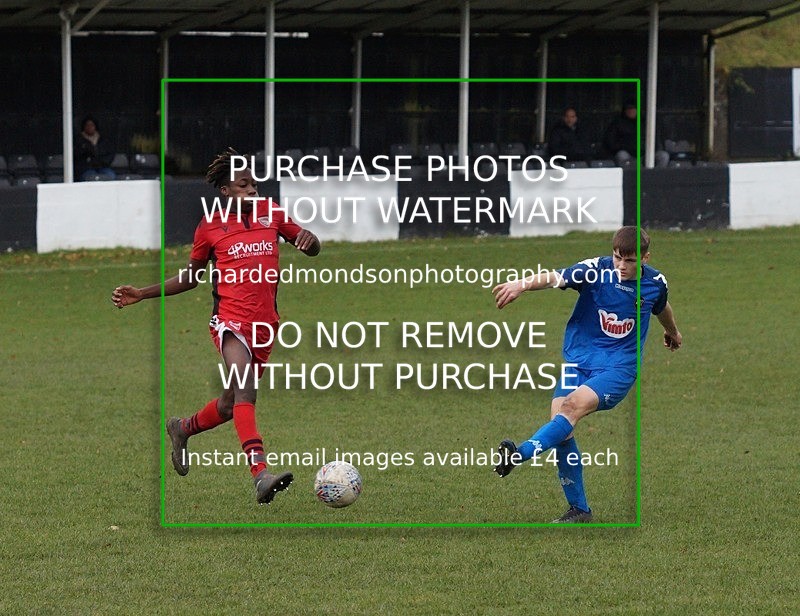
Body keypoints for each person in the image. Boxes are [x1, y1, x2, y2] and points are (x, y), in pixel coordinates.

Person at [111, 147, 321, 505]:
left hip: (265, 324)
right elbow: (191, 278)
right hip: (229, 322)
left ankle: (182, 428)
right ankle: (261, 475)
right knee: (245, 391)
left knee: (228, 405)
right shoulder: (209, 227)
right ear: (225, 191)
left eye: (254, 183)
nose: (253, 189)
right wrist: (143, 294)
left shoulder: (273, 214)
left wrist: (311, 241)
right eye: (243, 184)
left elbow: (311, 245)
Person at [491, 226, 681, 523]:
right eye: (617, 257)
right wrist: (522, 284)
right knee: (561, 428)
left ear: (644, 258)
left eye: (629, 261)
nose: (621, 265)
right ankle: (579, 510)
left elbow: (661, 306)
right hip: (578, 361)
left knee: (570, 408)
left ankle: (519, 454)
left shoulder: (656, 282)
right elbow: (556, 277)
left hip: (619, 368)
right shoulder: (595, 270)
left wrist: (672, 331)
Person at [602, 101, 669, 168]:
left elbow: (657, 139)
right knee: (621, 155)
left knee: (663, 155)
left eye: (633, 109)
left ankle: (655, 176)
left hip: (647, 154)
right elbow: (611, 141)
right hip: (628, 154)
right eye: (628, 109)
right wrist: (625, 146)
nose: (631, 111)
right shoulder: (617, 123)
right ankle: (629, 177)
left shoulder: (648, 121)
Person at [75, 116, 116, 181]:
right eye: (87, 125)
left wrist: (102, 162)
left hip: (103, 167)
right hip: (86, 169)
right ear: (84, 127)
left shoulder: (103, 140)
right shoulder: (79, 140)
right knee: (91, 177)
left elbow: (109, 154)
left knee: (111, 176)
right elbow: (77, 156)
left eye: (92, 125)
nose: (90, 127)